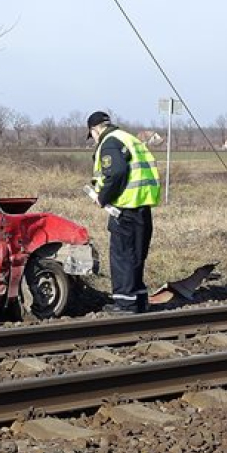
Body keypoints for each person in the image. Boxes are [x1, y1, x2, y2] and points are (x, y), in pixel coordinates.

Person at [87, 111, 161, 315]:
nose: (93, 139)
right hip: (142, 206)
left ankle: (125, 304)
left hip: (125, 208)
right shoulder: (129, 138)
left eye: (91, 134)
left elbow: (117, 172)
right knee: (137, 255)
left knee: (122, 256)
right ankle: (139, 300)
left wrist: (103, 197)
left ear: (95, 129)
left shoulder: (109, 143)